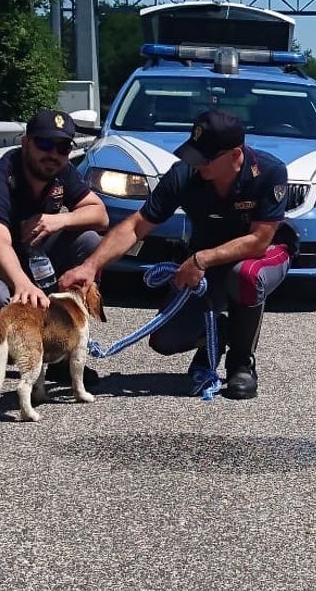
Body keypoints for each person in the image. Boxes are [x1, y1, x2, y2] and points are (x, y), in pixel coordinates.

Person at [59, 109, 292, 400]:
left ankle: (241, 362)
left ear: (234, 156)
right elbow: (136, 225)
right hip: (206, 261)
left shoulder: (269, 172)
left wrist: (200, 259)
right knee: (165, 340)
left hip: (261, 256)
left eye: (204, 158)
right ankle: (215, 334)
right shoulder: (184, 173)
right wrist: (90, 267)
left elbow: (259, 240)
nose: (196, 164)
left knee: (244, 276)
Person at [0, 109, 109, 379]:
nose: (53, 154)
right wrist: (23, 284)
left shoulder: (61, 172)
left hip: (19, 254)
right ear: (25, 143)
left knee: (89, 243)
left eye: (62, 147)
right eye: (44, 143)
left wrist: (58, 220)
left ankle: (60, 346)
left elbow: (100, 214)